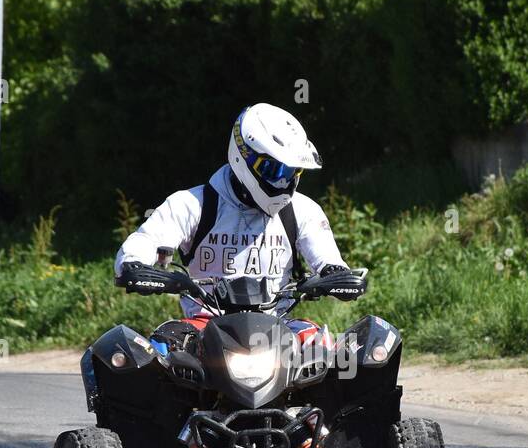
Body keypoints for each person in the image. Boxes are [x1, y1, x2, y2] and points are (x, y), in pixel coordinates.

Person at [114, 103, 365, 336]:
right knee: (158, 345)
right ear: (242, 156)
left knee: (323, 345)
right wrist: (134, 263)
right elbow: (147, 239)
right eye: (273, 170)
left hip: (277, 328)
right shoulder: (192, 204)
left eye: (290, 172)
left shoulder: (303, 210)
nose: (282, 182)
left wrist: (337, 275)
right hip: (205, 328)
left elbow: (328, 260)